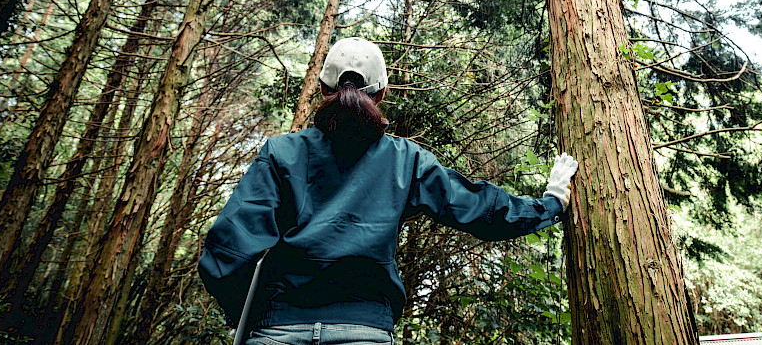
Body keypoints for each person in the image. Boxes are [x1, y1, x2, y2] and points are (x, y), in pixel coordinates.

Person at [198, 37, 579, 345]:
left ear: (322, 89)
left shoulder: (281, 152)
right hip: (365, 332)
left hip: (277, 330)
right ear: (382, 93)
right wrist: (549, 204)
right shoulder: (406, 160)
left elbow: (226, 252)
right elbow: (479, 208)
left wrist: (254, 316)